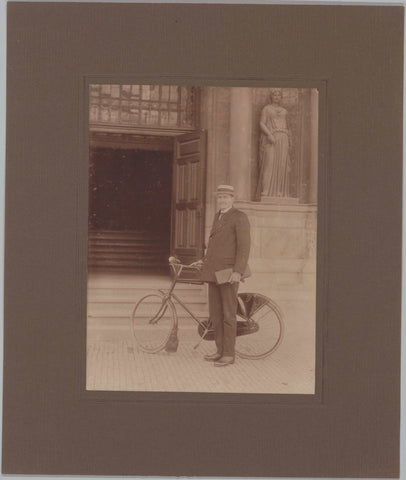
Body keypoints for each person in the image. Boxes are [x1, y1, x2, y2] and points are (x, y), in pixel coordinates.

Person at [193, 185, 251, 367]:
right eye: (220, 197)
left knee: (228, 314)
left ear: (233, 199)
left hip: (228, 274)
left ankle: (229, 354)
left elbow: (244, 247)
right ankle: (219, 351)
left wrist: (237, 271)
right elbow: (216, 246)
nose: (223, 200)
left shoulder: (239, 217)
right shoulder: (218, 216)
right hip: (213, 273)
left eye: (226, 197)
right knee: (215, 314)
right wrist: (204, 260)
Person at [256, 89, 291, 199]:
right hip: (272, 136)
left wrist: (289, 141)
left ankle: (281, 192)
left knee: (282, 165)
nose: (277, 96)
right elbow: (261, 123)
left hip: (283, 137)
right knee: (269, 164)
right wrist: (269, 134)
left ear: (281, 97)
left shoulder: (285, 111)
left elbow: (288, 127)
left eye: (279, 95)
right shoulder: (267, 109)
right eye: (275, 95)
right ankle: (266, 191)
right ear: (271, 96)